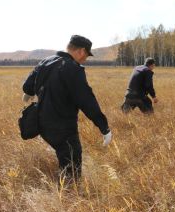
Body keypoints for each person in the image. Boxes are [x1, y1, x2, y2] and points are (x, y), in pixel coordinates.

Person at [22, 35, 112, 181]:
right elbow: (87, 101)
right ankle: (67, 197)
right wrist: (104, 127)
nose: (85, 59)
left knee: (64, 157)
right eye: (87, 55)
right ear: (82, 51)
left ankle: (59, 184)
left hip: (41, 124)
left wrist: (27, 94)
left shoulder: (46, 61)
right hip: (62, 128)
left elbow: (27, 86)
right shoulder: (73, 69)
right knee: (72, 167)